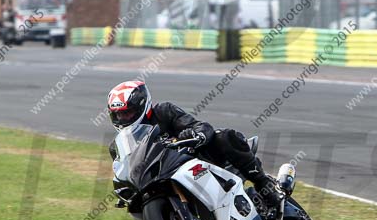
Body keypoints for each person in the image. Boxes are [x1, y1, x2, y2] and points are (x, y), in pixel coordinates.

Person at [106, 80, 283, 210]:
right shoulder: (120, 145)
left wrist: (193, 134)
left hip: (197, 161)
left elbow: (200, 126)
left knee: (224, 137)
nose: (123, 119)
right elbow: (125, 170)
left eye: (128, 113)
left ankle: (265, 184)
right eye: (119, 115)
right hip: (161, 179)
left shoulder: (164, 112)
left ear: (142, 106)